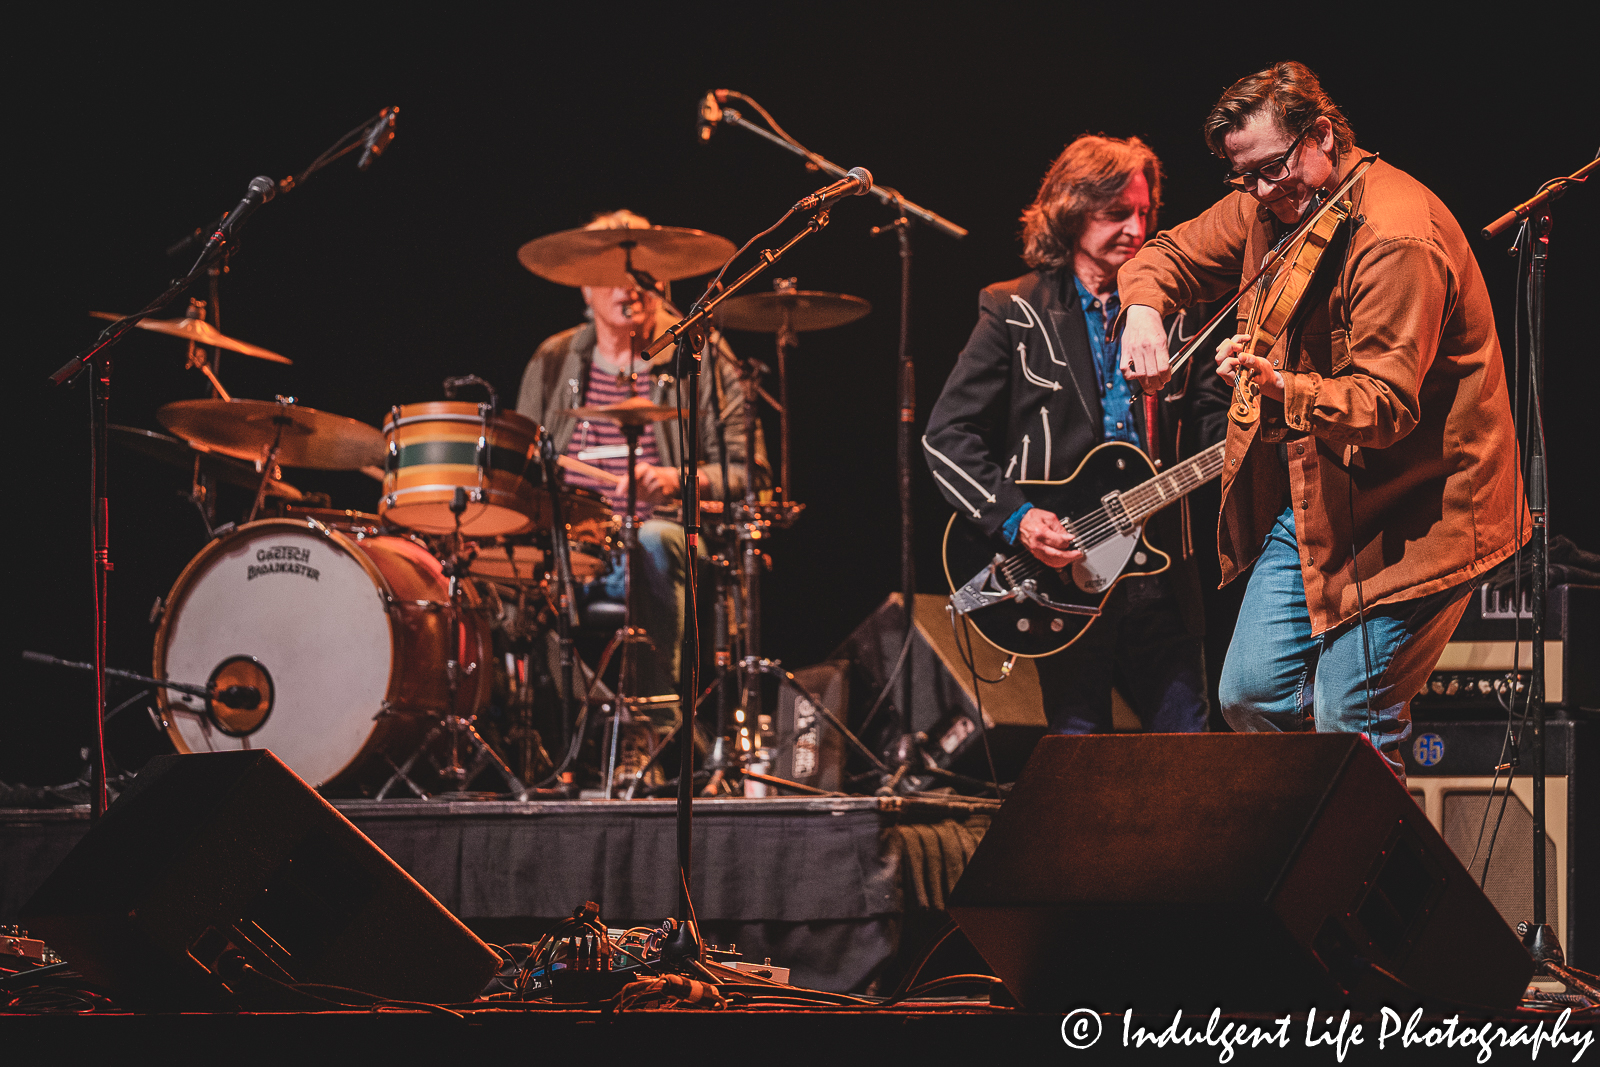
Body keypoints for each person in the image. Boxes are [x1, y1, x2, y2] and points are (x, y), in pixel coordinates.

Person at [1116, 62, 1527, 777]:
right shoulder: (1266, 202)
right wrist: (1144, 311)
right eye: (1241, 177)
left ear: (1321, 137)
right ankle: (1315, 838)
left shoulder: (1398, 237)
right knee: (1248, 694)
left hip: (1422, 512)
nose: (1258, 193)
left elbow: (1384, 405)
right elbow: (1169, 253)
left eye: (1271, 170)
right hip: (1322, 497)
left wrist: (1282, 388)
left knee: (1351, 717)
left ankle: (1368, 880)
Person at [925, 135, 1229, 735]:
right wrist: (1020, 518)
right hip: (1057, 572)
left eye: (1144, 213)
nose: (1136, 229)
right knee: (1079, 758)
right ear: (1070, 211)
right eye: (1117, 213)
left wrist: (1260, 410)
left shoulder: (1179, 313)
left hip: (1161, 569)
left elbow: (1212, 425)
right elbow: (947, 435)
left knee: (1187, 758)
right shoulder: (1013, 308)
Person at [516, 210, 769, 715]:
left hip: (667, 539)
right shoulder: (554, 360)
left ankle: (657, 725)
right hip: (572, 549)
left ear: (663, 282)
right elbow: (521, 469)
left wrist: (677, 481)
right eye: (611, 277)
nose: (627, 290)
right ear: (583, 288)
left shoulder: (700, 354)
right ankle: (563, 731)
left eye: (641, 277)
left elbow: (750, 475)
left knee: (651, 540)